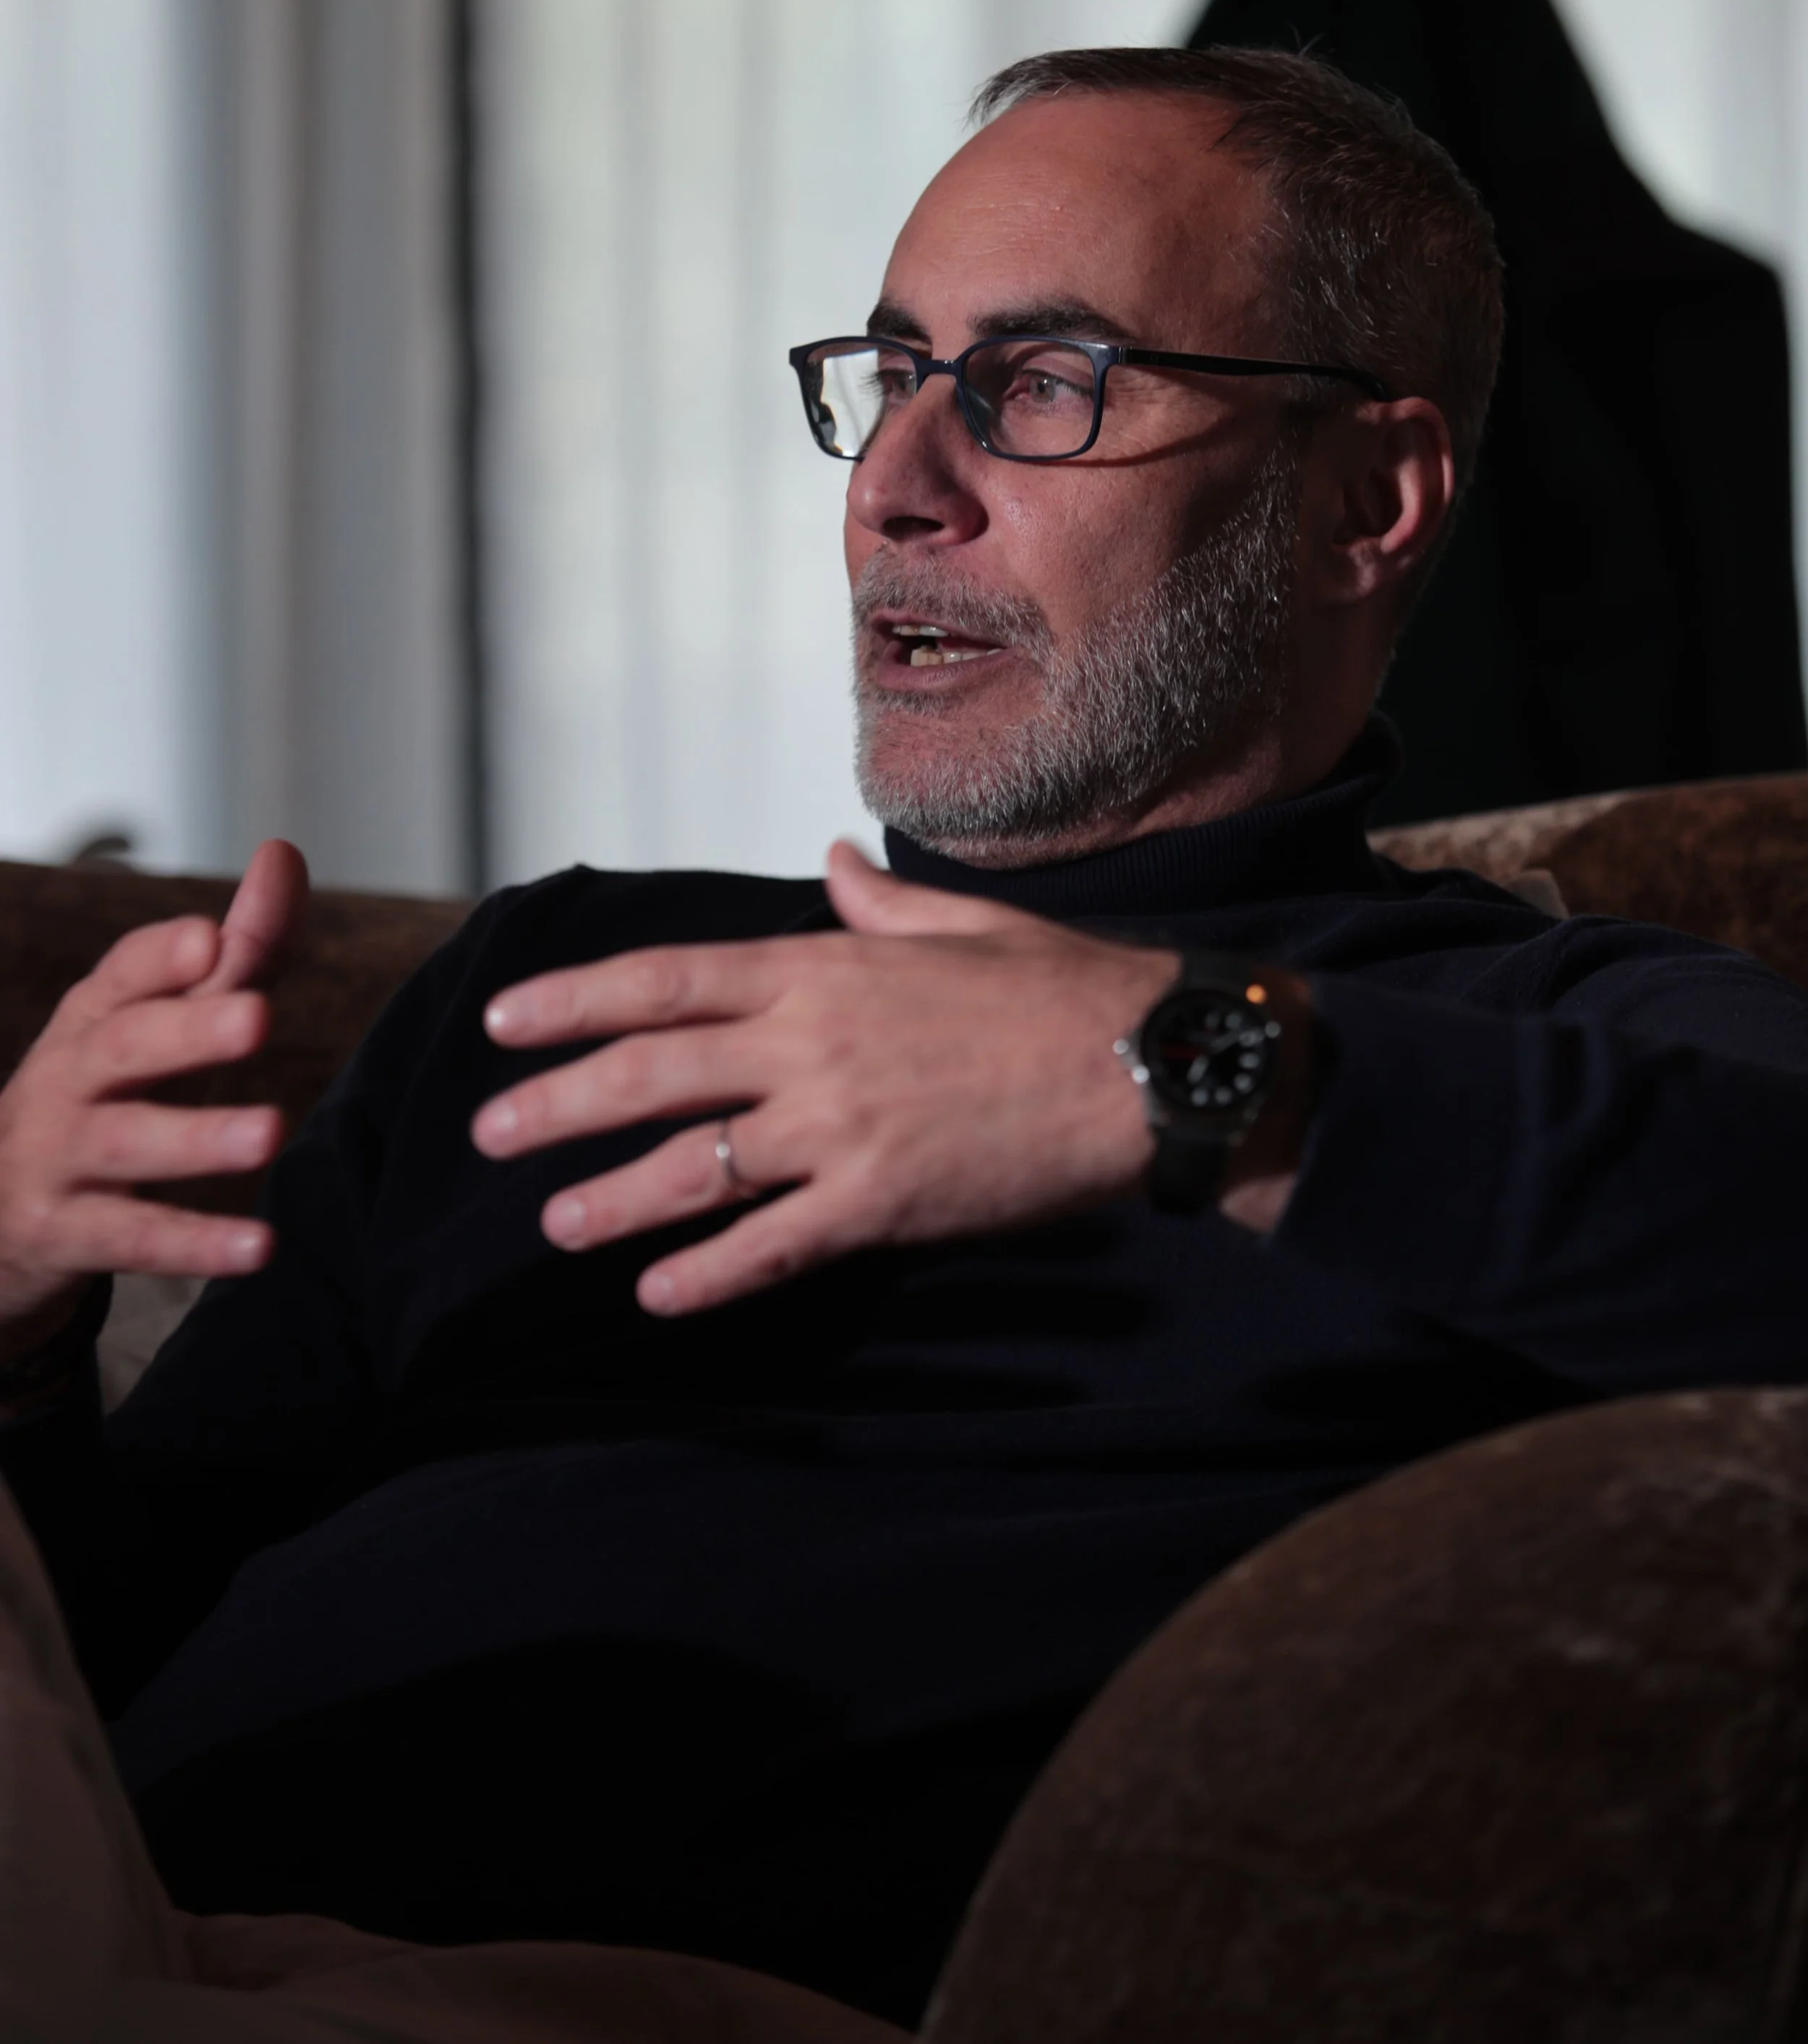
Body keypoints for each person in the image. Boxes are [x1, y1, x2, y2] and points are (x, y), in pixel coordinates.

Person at [2, 40, 1807, 2039]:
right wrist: (9, 1322)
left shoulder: (1483, 1033)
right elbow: (104, 1651)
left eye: (1043, 388)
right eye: (889, 379)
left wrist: (1167, 1073)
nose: (895, 487)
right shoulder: (573, 977)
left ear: (1363, 500)